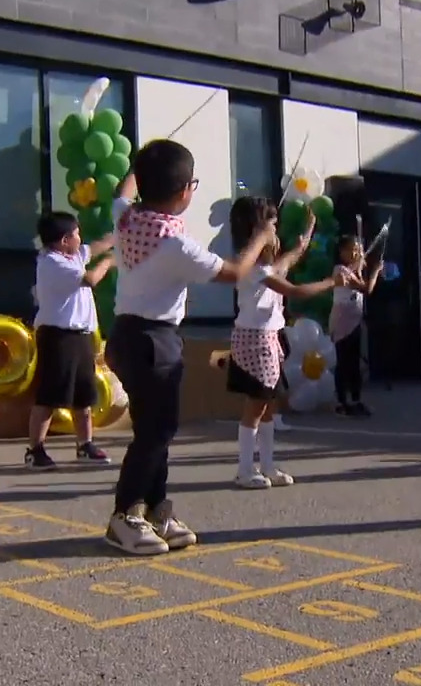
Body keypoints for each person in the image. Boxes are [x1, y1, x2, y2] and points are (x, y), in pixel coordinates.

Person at [103, 139, 273, 556]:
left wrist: (136, 168)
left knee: (155, 428)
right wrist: (262, 236)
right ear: (185, 192)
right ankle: (125, 515)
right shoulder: (175, 244)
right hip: (154, 341)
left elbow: (122, 193)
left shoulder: (128, 218)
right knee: (156, 432)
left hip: (125, 335)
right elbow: (235, 272)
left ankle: (157, 509)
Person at [227, 197, 353, 489]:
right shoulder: (255, 271)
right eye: (271, 224)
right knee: (257, 406)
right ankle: (245, 469)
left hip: (268, 337)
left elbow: (289, 260)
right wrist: (333, 283)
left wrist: (306, 238)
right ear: (255, 230)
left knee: (270, 406)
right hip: (255, 339)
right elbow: (295, 291)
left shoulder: (264, 268)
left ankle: (267, 466)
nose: (275, 230)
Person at [24, 210, 118, 470]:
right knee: (50, 395)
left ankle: (85, 444)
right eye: (76, 234)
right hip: (58, 336)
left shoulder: (73, 255)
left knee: (83, 395)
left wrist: (117, 236)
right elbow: (90, 279)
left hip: (81, 335)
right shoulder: (52, 262)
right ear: (64, 240)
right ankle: (35, 449)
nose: (80, 238)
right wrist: (109, 261)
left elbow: (95, 247)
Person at [329, 234, 381, 416]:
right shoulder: (340, 271)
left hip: (355, 320)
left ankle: (356, 400)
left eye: (358, 249)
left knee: (354, 362)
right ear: (342, 252)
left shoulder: (353, 270)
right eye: (352, 249)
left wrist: (361, 268)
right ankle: (341, 402)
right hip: (342, 321)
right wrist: (374, 272)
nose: (356, 253)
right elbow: (366, 289)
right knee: (343, 362)